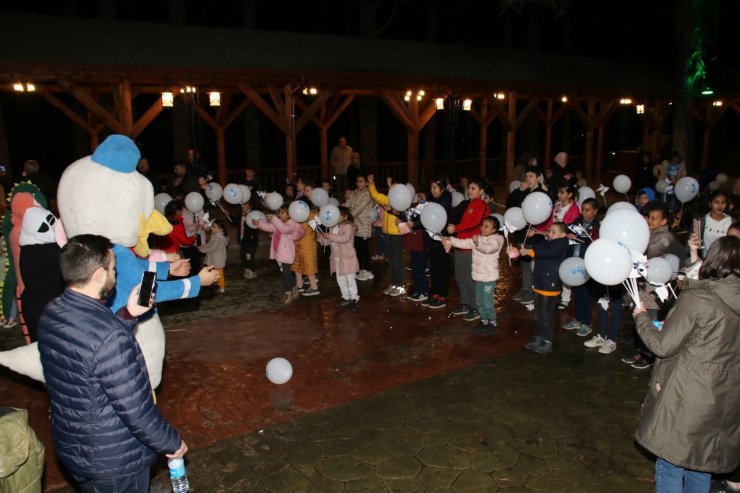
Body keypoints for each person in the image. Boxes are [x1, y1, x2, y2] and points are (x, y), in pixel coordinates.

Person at [38, 234, 187, 492]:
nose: (115, 273)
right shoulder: (109, 337)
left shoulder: (53, 313)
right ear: (98, 275)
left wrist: (127, 315)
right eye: (112, 268)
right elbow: (136, 408)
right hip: (114, 459)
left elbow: (89, 350)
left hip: (76, 446)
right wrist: (171, 442)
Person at [632, 235, 740, 493]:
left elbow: (662, 346)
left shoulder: (700, 299)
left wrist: (642, 319)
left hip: (689, 396)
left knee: (671, 464)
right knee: (698, 464)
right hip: (726, 398)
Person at [444, 216, 504, 334]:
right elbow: (464, 243)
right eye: (482, 225)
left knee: (487, 301)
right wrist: (450, 239)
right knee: (479, 300)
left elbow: (488, 249)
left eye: (486, 226)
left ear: (494, 230)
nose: (483, 228)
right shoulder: (479, 238)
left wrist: (477, 243)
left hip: (489, 277)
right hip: (479, 276)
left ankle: (492, 322)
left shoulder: (497, 240)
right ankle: (484, 321)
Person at [517, 222, 569, 355]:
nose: (549, 234)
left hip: (550, 284)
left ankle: (547, 341)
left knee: (547, 314)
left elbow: (549, 253)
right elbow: (536, 247)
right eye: (549, 231)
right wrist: (524, 248)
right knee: (538, 313)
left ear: (562, 235)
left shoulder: (562, 244)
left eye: (553, 232)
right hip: (540, 283)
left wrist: (529, 251)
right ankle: (538, 337)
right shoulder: (547, 242)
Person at [447, 178, 491, 322]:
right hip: (461, 245)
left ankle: (476, 307)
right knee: (460, 277)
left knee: (471, 279)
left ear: (481, 191)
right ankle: (465, 303)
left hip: (472, 247)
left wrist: (456, 228)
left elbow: (476, 224)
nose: (469, 190)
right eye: (469, 188)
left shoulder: (482, 206)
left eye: (473, 188)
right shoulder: (469, 205)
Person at [506, 165, 549, 305]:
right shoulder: (523, 192)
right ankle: (525, 288)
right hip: (521, 233)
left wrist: (537, 231)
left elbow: (543, 215)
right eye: (526, 177)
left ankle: (533, 291)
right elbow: (511, 205)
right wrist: (519, 190)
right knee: (524, 262)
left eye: (531, 176)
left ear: (538, 177)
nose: (528, 179)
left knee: (533, 264)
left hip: (534, 235)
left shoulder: (541, 194)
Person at [562, 197, 600, 338]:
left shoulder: (596, 226)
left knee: (586, 294)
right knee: (576, 293)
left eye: (588, 210)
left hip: (587, 264)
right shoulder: (578, 221)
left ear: (595, 211)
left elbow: (593, 241)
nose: (584, 213)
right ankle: (578, 319)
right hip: (574, 261)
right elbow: (567, 227)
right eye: (583, 209)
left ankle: (587, 323)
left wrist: (578, 235)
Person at [254, 206, 306, 304]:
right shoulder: (278, 222)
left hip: (286, 254)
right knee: (286, 274)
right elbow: (270, 228)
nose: (279, 215)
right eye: (279, 213)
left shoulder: (292, 224)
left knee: (285, 275)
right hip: (279, 252)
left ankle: (288, 292)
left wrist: (274, 219)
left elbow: (284, 229)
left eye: (282, 213)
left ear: (289, 214)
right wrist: (259, 224)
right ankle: (294, 288)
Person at [368, 174, 405, 297]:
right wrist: (371, 183)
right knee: (391, 262)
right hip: (387, 234)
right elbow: (375, 195)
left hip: (396, 235)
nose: (392, 190)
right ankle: (393, 284)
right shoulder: (387, 200)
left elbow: (401, 214)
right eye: (391, 188)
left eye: (394, 188)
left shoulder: (402, 202)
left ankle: (400, 286)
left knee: (397, 262)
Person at [318, 207, 361, 311]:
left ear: (345, 217)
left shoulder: (348, 227)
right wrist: (322, 239)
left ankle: (354, 299)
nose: (336, 218)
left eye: (339, 215)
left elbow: (344, 239)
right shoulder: (333, 227)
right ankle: (346, 297)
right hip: (337, 258)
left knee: (350, 280)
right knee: (340, 280)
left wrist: (330, 236)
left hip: (347, 258)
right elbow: (330, 242)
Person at [422, 177, 453, 309]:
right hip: (433, 241)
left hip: (442, 241)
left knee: (442, 269)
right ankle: (435, 294)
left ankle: (442, 296)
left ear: (442, 188)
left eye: (435, 187)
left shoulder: (445, 200)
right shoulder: (434, 201)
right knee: (434, 269)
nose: (432, 190)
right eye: (431, 187)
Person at [346, 174, 375, 281]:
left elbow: (360, 207)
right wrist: (342, 210)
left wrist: (346, 216)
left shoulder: (368, 194)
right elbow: (348, 204)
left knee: (364, 249)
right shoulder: (353, 193)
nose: (359, 183)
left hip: (363, 224)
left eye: (361, 181)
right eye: (357, 181)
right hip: (353, 225)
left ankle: (367, 270)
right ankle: (360, 269)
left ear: (366, 183)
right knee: (357, 248)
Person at [693, 190, 732, 257]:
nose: (720, 205)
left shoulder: (731, 221)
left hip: (725, 261)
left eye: (723, 202)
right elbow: (693, 245)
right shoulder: (700, 221)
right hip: (706, 261)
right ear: (710, 204)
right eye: (716, 202)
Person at [198, 220, 228, 294]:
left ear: (220, 229)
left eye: (214, 227)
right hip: (215, 259)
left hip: (218, 260)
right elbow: (209, 244)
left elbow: (211, 248)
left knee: (219, 274)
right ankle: (216, 286)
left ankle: (221, 288)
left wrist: (201, 249)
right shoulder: (215, 237)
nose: (212, 228)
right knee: (215, 273)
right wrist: (202, 247)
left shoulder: (218, 239)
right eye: (212, 226)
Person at [239, 202, 259, 280]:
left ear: (250, 205)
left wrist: (246, 216)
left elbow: (254, 226)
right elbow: (233, 222)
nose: (244, 206)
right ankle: (247, 270)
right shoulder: (240, 214)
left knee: (249, 256)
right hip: (243, 240)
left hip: (251, 241)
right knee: (243, 256)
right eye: (243, 204)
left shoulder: (253, 215)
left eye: (246, 204)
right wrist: (228, 216)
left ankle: (253, 271)